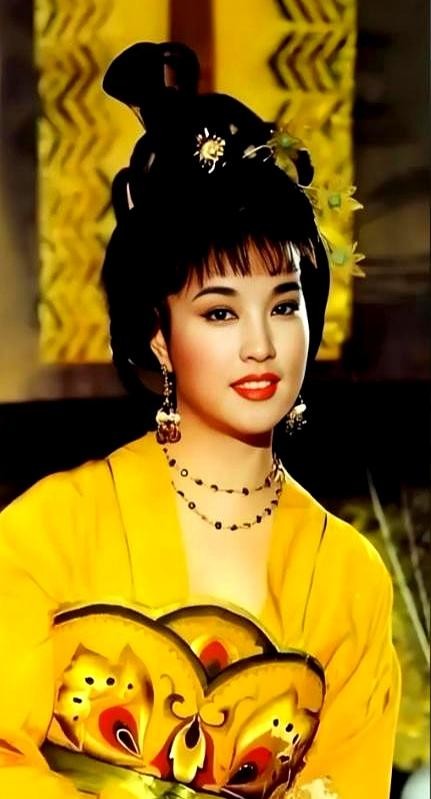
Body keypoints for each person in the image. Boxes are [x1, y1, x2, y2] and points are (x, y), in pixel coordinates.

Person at [0, 42, 400, 799]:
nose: (261, 344)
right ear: (160, 334)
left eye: (283, 304)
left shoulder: (349, 577)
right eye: (220, 311)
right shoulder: (49, 532)